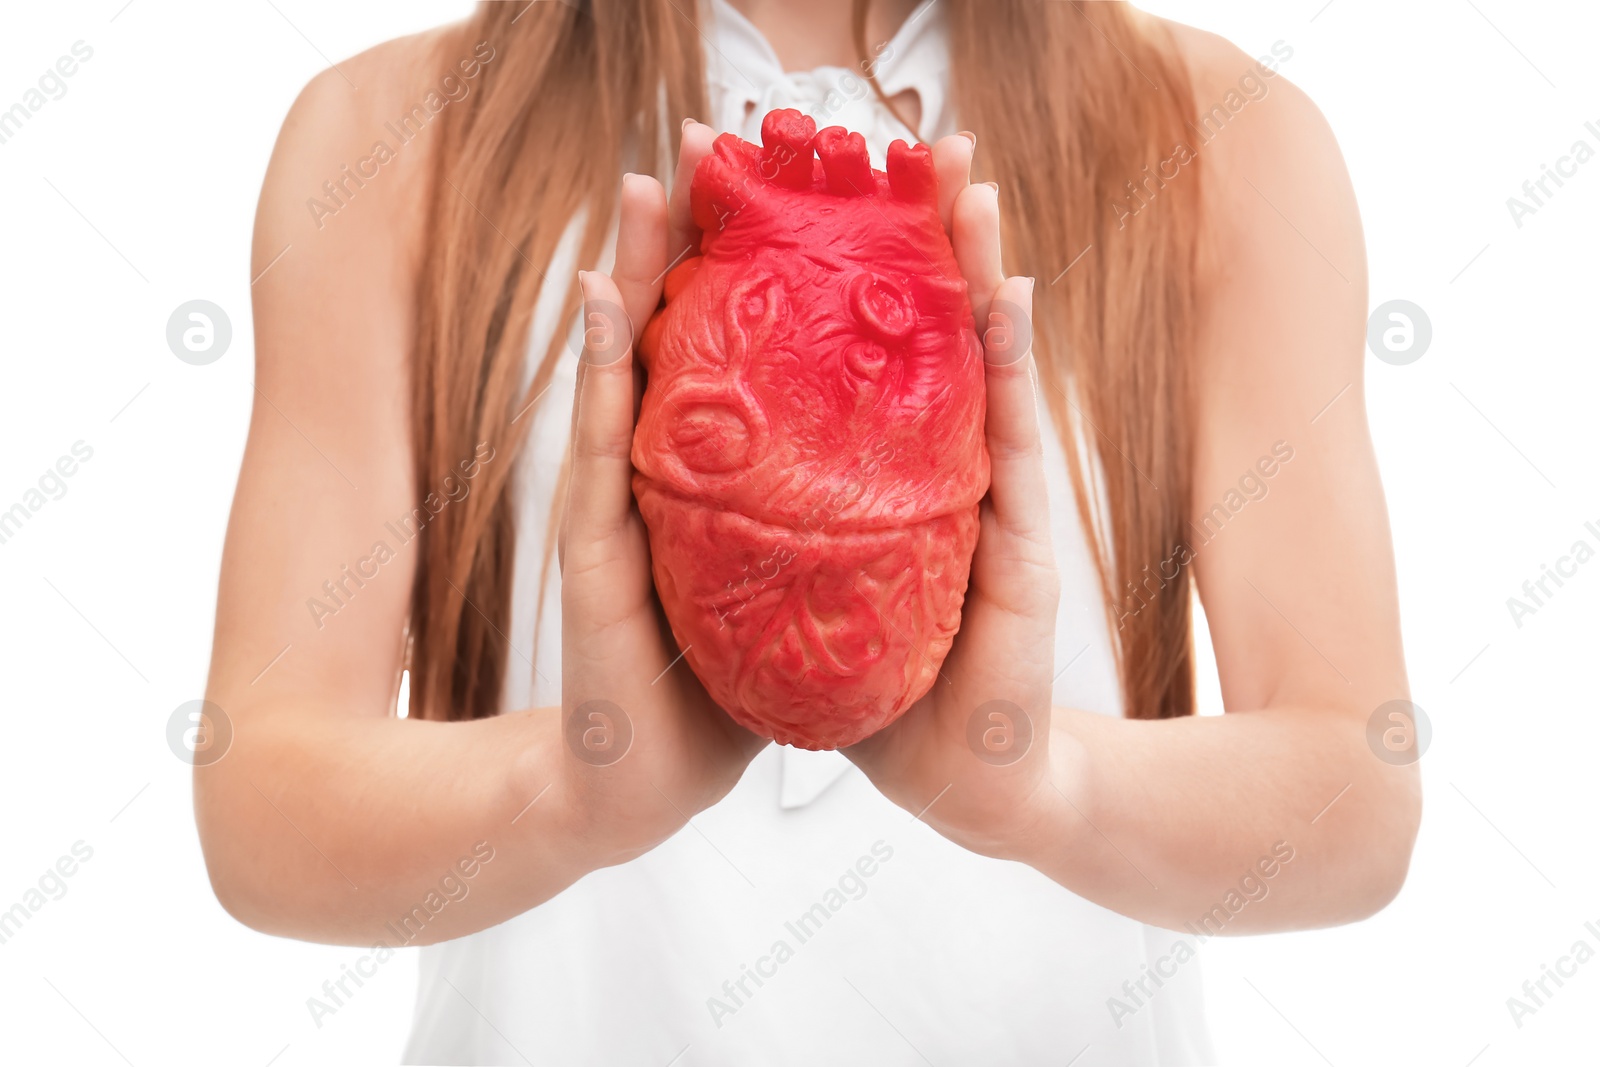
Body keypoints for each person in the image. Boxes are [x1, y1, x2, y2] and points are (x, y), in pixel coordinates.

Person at [196, 1, 1420, 1062]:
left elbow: (1356, 795)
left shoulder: (1224, 142)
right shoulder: (387, 141)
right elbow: (259, 804)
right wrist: (566, 787)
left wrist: (1047, 786)